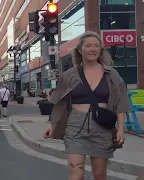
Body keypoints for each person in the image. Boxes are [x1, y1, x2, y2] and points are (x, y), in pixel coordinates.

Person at [43, 31, 130, 180]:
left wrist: (121, 129)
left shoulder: (112, 74)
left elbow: (120, 103)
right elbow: (60, 103)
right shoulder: (70, 75)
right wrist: (54, 125)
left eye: (97, 46)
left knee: (100, 175)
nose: (93, 49)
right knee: (76, 175)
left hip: (102, 127)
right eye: (88, 45)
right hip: (75, 126)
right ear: (79, 49)